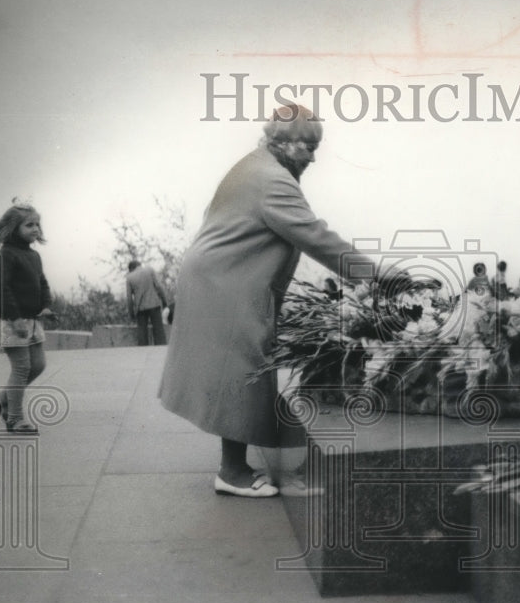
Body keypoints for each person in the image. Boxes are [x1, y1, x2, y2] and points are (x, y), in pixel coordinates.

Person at [158, 104, 382, 498]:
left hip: (219, 276)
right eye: (308, 147)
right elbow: (315, 236)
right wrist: (381, 278)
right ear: (284, 142)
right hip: (228, 282)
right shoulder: (274, 180)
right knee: (242, 371)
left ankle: (238, 466)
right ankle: (232, 472)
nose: (313, 157)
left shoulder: (252, 165)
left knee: (239, 371)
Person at [0, 202, 55, 433]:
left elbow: (42, 283)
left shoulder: (34, 255)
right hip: (11, 320)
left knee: (38, 365)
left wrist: (47, 306)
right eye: (29, 224)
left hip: (31, 320)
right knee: (21, 368)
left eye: (37, 224)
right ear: (13, 228)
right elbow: (1, 289)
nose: (35, 229)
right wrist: (15, 319)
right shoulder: (6, 255)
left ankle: (1, 400)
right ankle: (15, 418)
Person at [126, 260, 168, 345]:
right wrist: (164, 301)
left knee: (142, 336)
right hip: (154, 305)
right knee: (159, 333)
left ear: (131, 268)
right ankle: (160, 354)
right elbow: (159, 287)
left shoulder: (129, 278)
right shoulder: (149, 270)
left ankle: (142, 355)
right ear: (139, 265)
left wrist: (131, 314)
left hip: (140, 309)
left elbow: (129, 299)